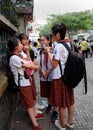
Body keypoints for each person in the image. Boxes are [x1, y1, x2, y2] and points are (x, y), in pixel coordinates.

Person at [7, 37, 42, 130]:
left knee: (31, 101)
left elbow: (29, 62)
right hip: (23, 84)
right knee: (29, 104)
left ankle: (34, 118)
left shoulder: (18, 55)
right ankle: (35, 124)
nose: (22, 45)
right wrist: (37, 66)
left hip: (27, 81)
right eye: (20, 44)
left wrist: (33, 64)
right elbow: (27, 65)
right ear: (16, 47)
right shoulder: (14, 58)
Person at [47, 23, 74, 130]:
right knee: (70, 101)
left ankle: (62, 125)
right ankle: (70, 123)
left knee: (62, 103)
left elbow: (54, 64)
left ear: (58, 35)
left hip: (60, 78)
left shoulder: (58, 46)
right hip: (69, 76)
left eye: (53, 35)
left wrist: (49, 53)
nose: (52, 37)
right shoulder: (69, 44)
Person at [37, 34, 58, 122]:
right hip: (44, 76)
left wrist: (48, 71)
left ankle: (55, 112)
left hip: (53, 75)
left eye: (43, 40)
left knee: (54, 94)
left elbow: (55, 63)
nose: (41, 42)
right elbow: (38, 64)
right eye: (40, 40)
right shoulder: (39, 52)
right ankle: (50, 105)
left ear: (48, 41)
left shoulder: (53, 50)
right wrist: (41, 71)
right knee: (47, 93)